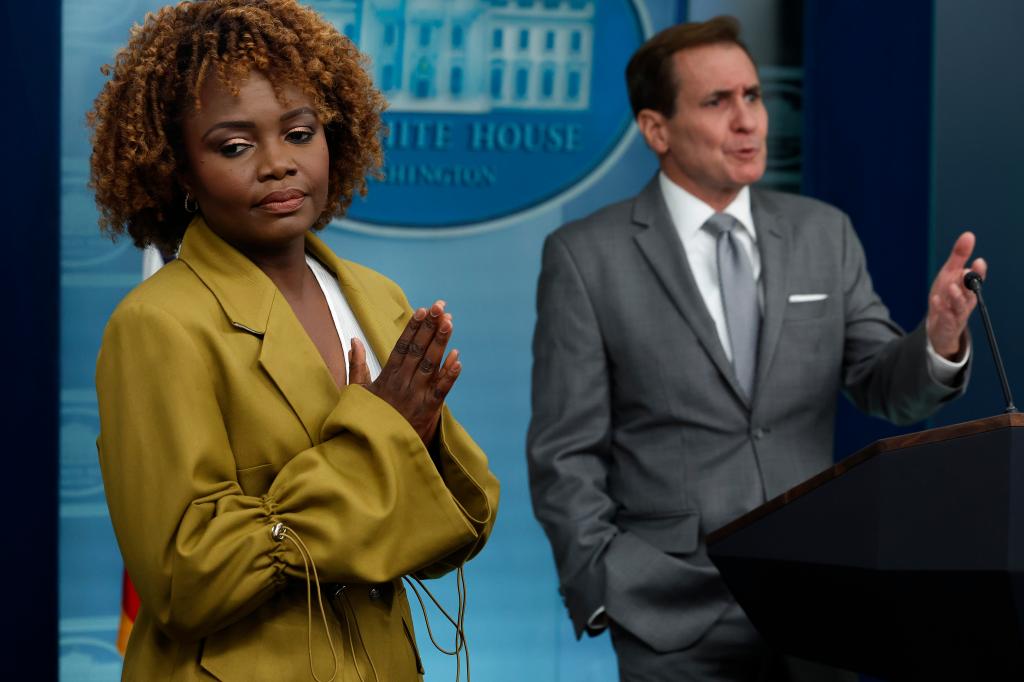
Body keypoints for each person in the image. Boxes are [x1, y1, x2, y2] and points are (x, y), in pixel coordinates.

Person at [526, 15, 984, 682]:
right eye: (717, 102)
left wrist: (940, 340)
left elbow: (886, 385)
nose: (747, 121)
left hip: (820, 603)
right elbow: (563, 451)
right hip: (669, 614)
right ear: (657, 130)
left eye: (753, 96)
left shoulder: (823, 234)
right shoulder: (585, 256)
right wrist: (604, 586)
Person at [90, 1, 499, 680]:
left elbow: (457, 524)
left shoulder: (377, 296)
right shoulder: (157, 325)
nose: (279, 164)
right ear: (180, 170)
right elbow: (187, 579)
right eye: (235, 145)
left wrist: (418, 447)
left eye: (301, 133)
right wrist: (377, 443)